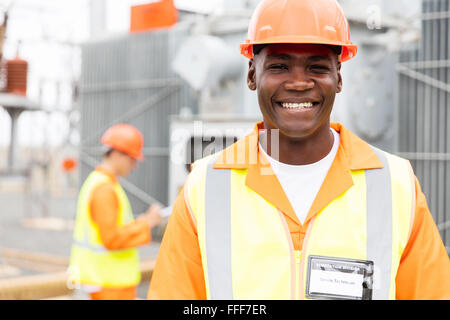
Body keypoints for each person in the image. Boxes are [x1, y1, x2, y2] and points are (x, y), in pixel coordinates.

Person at [148, 0, 450, 300]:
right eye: (279, 66)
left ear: (339, 78)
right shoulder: (205, 186)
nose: (299, 83)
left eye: (317, 67)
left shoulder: (395, 183)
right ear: (252, 75)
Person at [69, 123, 162, 300]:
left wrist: (140, 222)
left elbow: (112, 230)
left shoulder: (102, 183)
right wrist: (147, 223)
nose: (134, 165)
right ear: (118, 154)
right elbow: (112, 238)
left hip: (104, 284)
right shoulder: (104, 189)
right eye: (132, 159)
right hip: (106, 287)